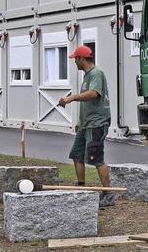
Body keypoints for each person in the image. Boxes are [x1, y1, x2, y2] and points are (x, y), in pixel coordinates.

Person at [58, 45, 116, 207]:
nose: (74, 62)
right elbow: (89, 102)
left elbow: (93, 94)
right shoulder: (87, 75)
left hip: (97, 123)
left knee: (96, 158)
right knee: (77, 154)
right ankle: (81, 188)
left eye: (75, 59)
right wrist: (80, 122)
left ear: (81, 59)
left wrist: (71, 98)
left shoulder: (96, 74)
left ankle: (108, 194)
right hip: (86, 124)